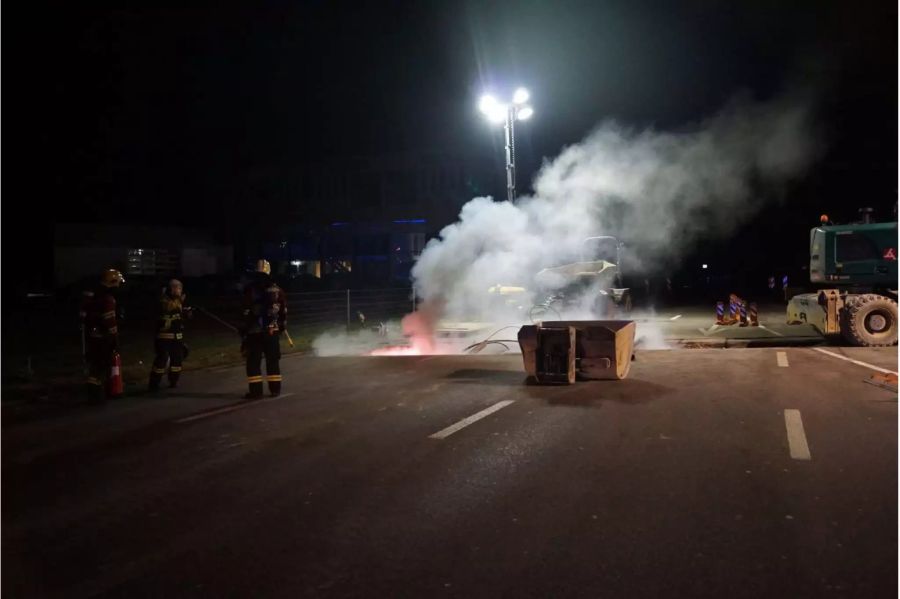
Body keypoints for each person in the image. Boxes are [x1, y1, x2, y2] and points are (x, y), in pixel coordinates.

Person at [239, 260, 287, 398]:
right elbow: (283, 310)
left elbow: (244, 309)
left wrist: (243, 328)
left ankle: (256, 392)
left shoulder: (250, 289)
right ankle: (275, 390)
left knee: (253, 362)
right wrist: (282, 325)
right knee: (273, 361)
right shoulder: (277, 290)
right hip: (272, 331)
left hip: (255, 332)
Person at [80, 268, 124, 402]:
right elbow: (110, 320)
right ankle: (96, 395)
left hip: (92, 335)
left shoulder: (94, 295)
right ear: (112, 282)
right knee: (101, 366)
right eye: (117, 283)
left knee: (95, 365)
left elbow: (84, 315)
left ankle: (95, 393)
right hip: (104, 337)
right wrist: (114, 337)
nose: (118, 286)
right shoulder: (108, 299)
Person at [148, 278, 192, 392]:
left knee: (177, 361)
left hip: (177, 337)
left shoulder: (177, 301)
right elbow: (168, 308)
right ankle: (154, 383)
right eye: (178, 288)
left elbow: (178, 316)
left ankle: (173, 381)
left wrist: (186, 313)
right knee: (161, 361)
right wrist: (180, 302)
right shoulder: (164, 300)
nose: (180, 291)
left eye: (180, 288)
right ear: (172, 288)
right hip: (164, 337)